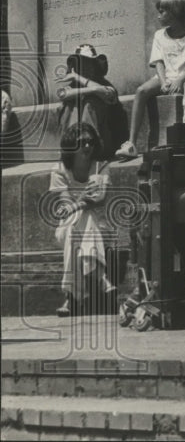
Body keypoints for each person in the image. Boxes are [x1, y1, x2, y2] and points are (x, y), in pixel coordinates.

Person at [117, 0, 185, 157]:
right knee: (141, 91)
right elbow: (158, 62)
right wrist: (163, 82)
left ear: (175, 12)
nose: (158, 15)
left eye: (162, 11)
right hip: (165, 77)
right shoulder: (159, 35)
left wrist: (180, 79)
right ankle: (131, 143)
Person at [51, 123, 115, 317]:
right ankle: (100, 277)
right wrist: (80, 201)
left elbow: (99, 199)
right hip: (69, 226)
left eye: (90, 142)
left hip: (99, 226)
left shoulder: (100, 166)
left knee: (78, 227)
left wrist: (75, 204)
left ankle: (72, 297)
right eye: (82, 142)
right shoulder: (59, 170)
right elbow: (66, 205)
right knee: (75, 224)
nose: (88, 146)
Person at [56, 45, 125, 162]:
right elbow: (62, 94)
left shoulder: (104, 83)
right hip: (76, 144)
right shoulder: (73, 86)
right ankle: (71, 147)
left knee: (91, 102)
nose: (86, 67)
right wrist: (92, 89)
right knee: (68, 105)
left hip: (101, 145)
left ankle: (87, 146)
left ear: (95, 66)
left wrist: (91, 87)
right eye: (82, 63)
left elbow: (108, 93)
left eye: (89, 63)